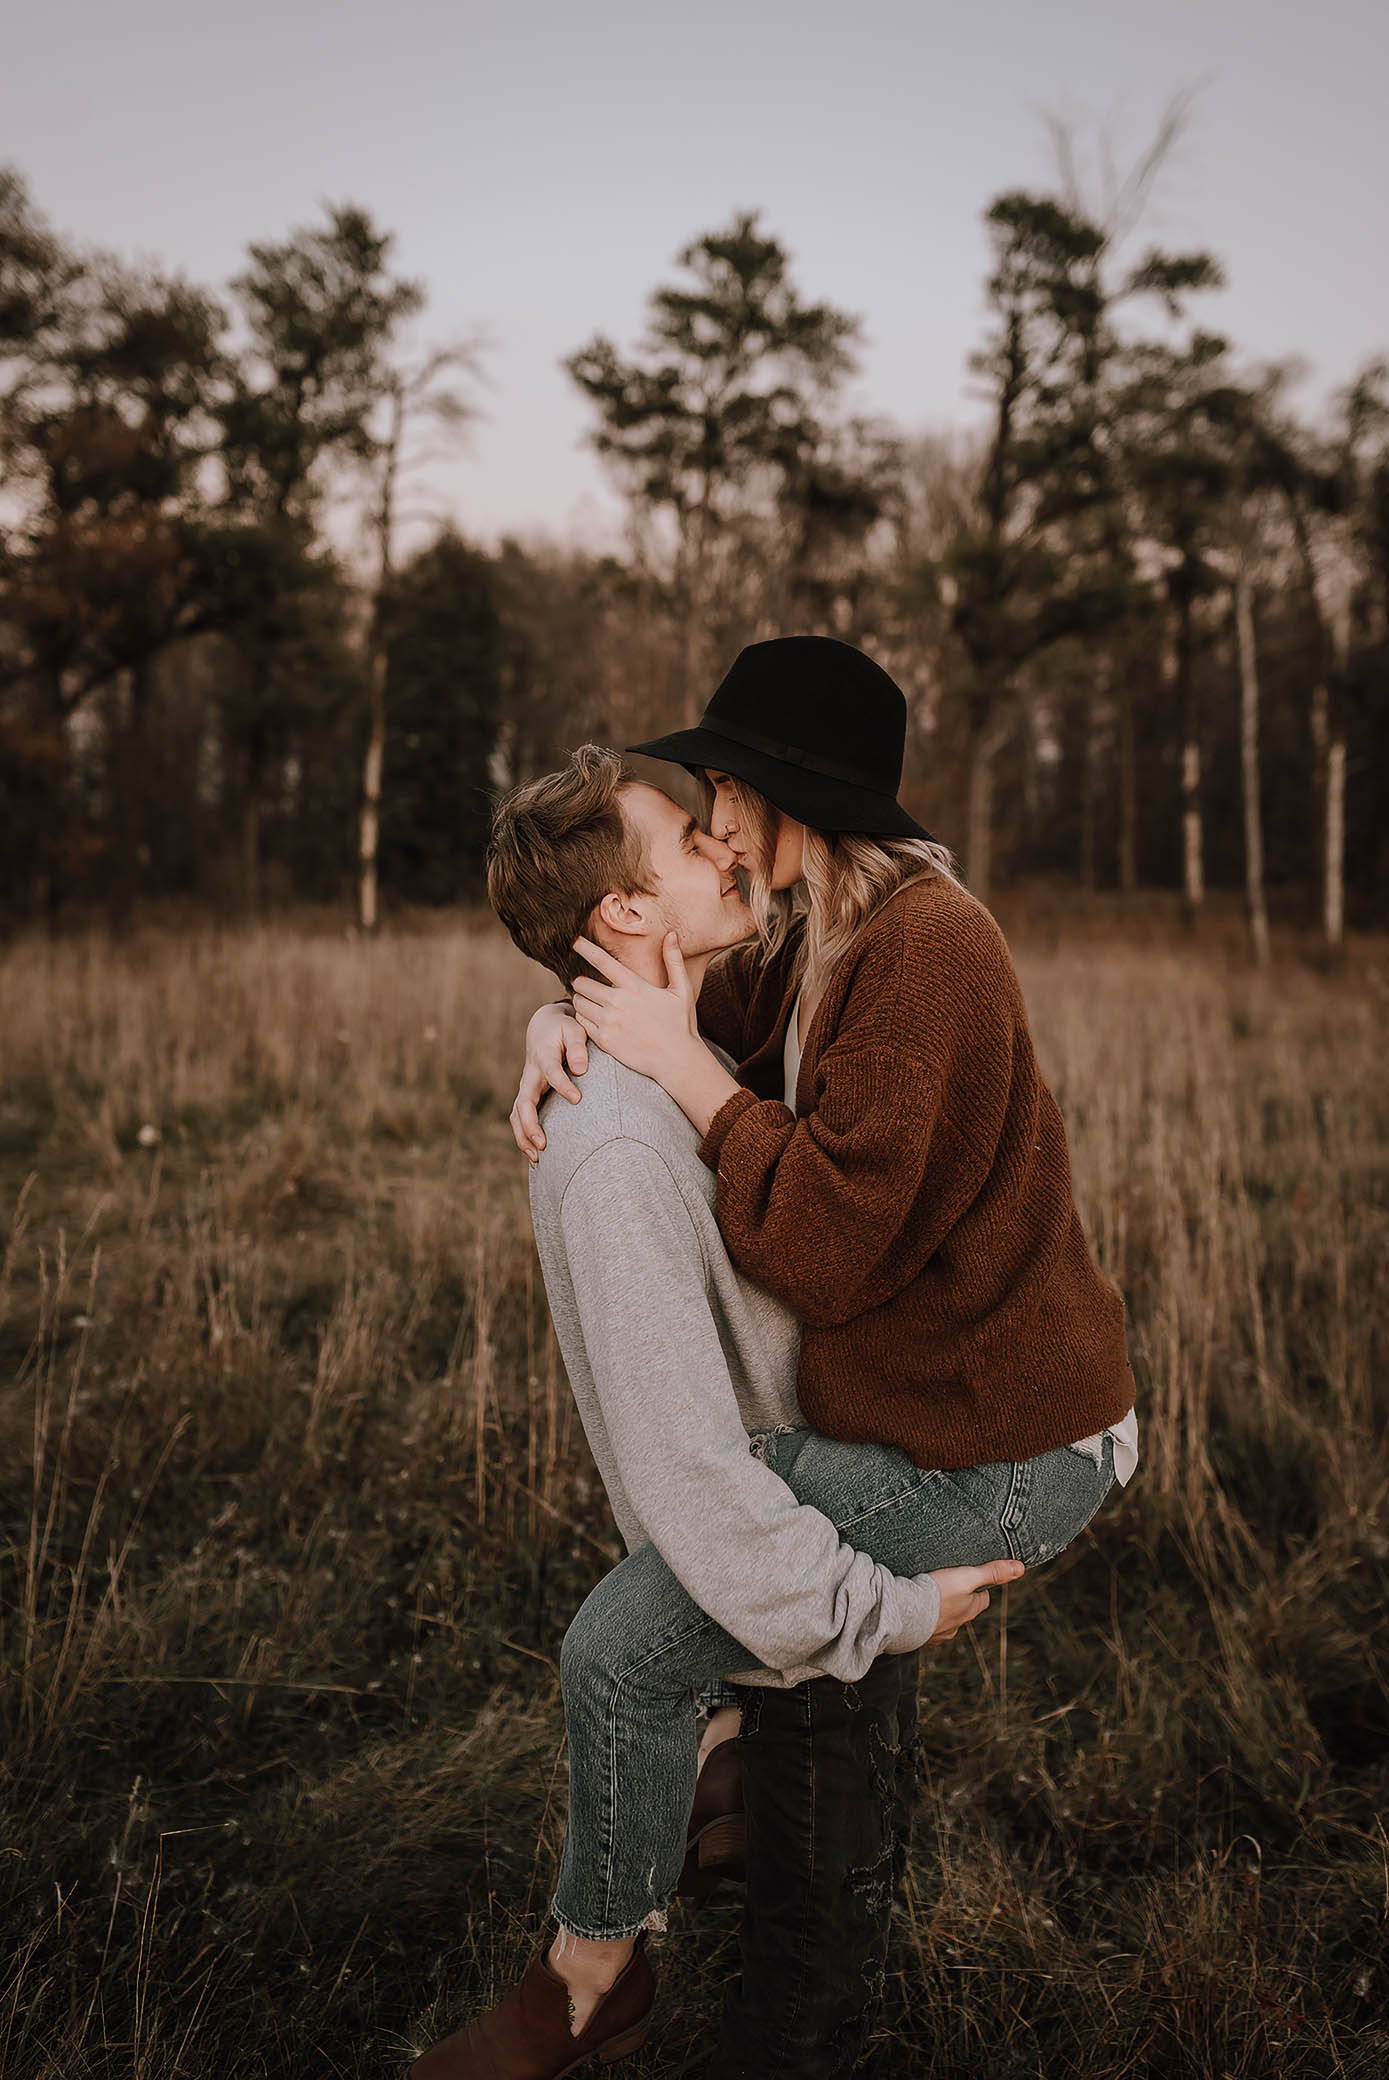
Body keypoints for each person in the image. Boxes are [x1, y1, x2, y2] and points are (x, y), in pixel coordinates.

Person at [509, 636, 1139, 2078]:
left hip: (1001, 1452)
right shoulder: (823, 937)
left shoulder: (929, 949)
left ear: (791, 796)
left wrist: (675, 1072)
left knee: (620, 1644)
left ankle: (600, 1991)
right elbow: (663, 991)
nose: (716, 825)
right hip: (914, 1420)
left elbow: (827, 1245)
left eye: (723, 790)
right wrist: (563, 1010)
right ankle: (720, 1836)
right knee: (702, 1573)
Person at [409, 748, 1020, 2080]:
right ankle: (655, 1988)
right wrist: (882, 1607)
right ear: (626, 912)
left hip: (854, 1450)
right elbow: (682, 1466)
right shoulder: (619, 1142)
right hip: (804, 1496)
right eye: (691, 840)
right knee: (659, 1681)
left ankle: (698, 1938)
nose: (727, 847)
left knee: (805, 1792)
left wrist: (556, 1010)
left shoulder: (710, 1009)